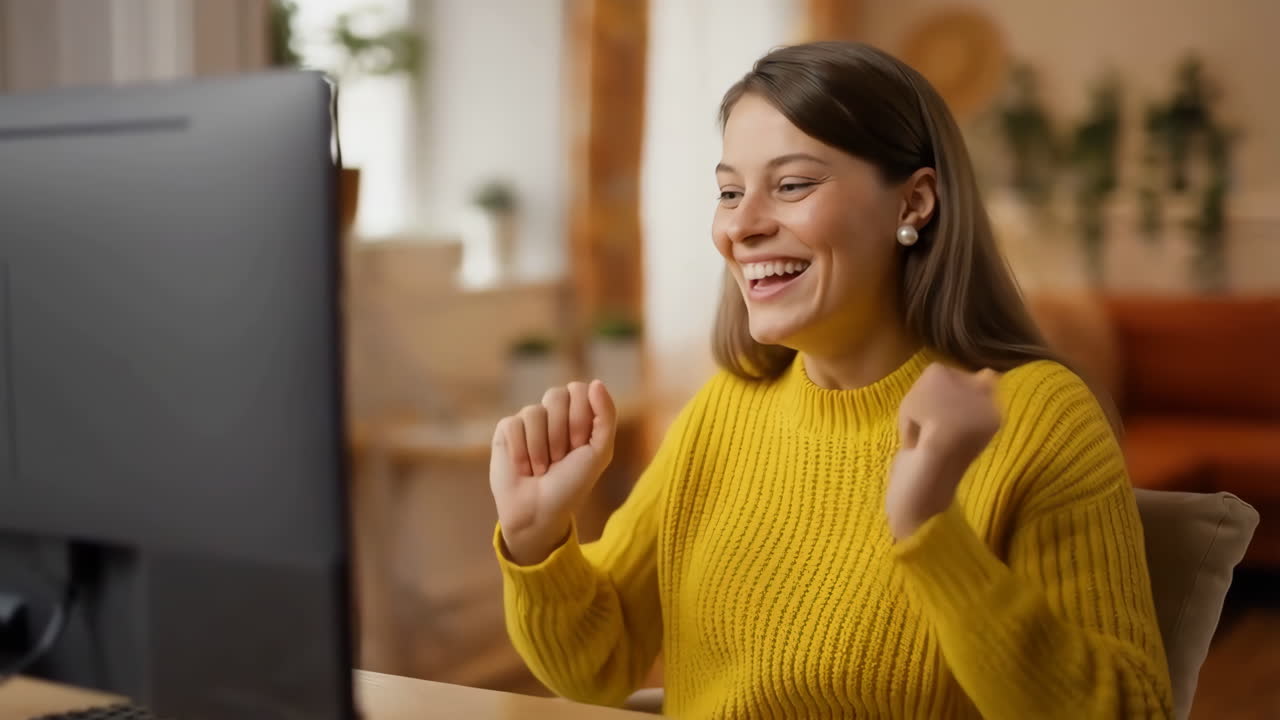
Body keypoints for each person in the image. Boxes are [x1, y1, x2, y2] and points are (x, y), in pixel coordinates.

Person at [487, 42, 1174, 719]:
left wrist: (933, 532)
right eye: (729, 192)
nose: (741, 226)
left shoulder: (1038, 415)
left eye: (792, 185)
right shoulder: (727, 408)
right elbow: (596, 666)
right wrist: (535, 538)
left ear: (914, 203)